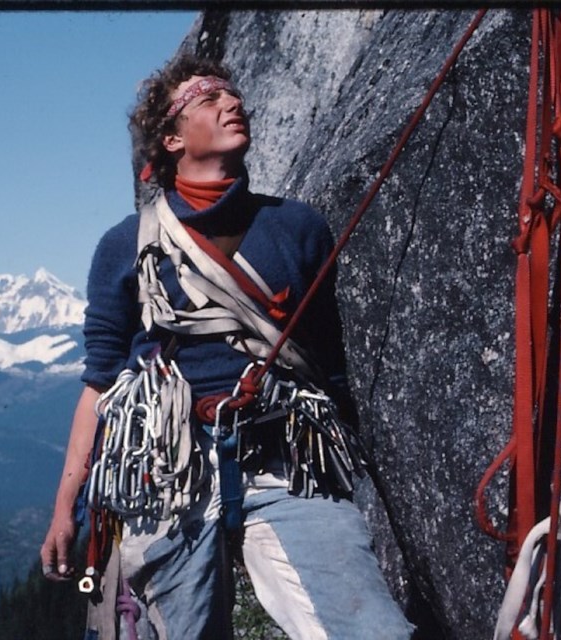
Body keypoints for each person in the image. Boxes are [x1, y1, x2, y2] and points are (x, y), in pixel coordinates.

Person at [40, 54, 415, 640]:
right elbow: (101, 382)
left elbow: (327, 367)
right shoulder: (126, 246)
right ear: (170, 138)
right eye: (208, 99)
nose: (232, 103)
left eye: (233, 95)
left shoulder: (298, 227)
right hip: (167, 473)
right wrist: (68, 506)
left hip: (286, 462)